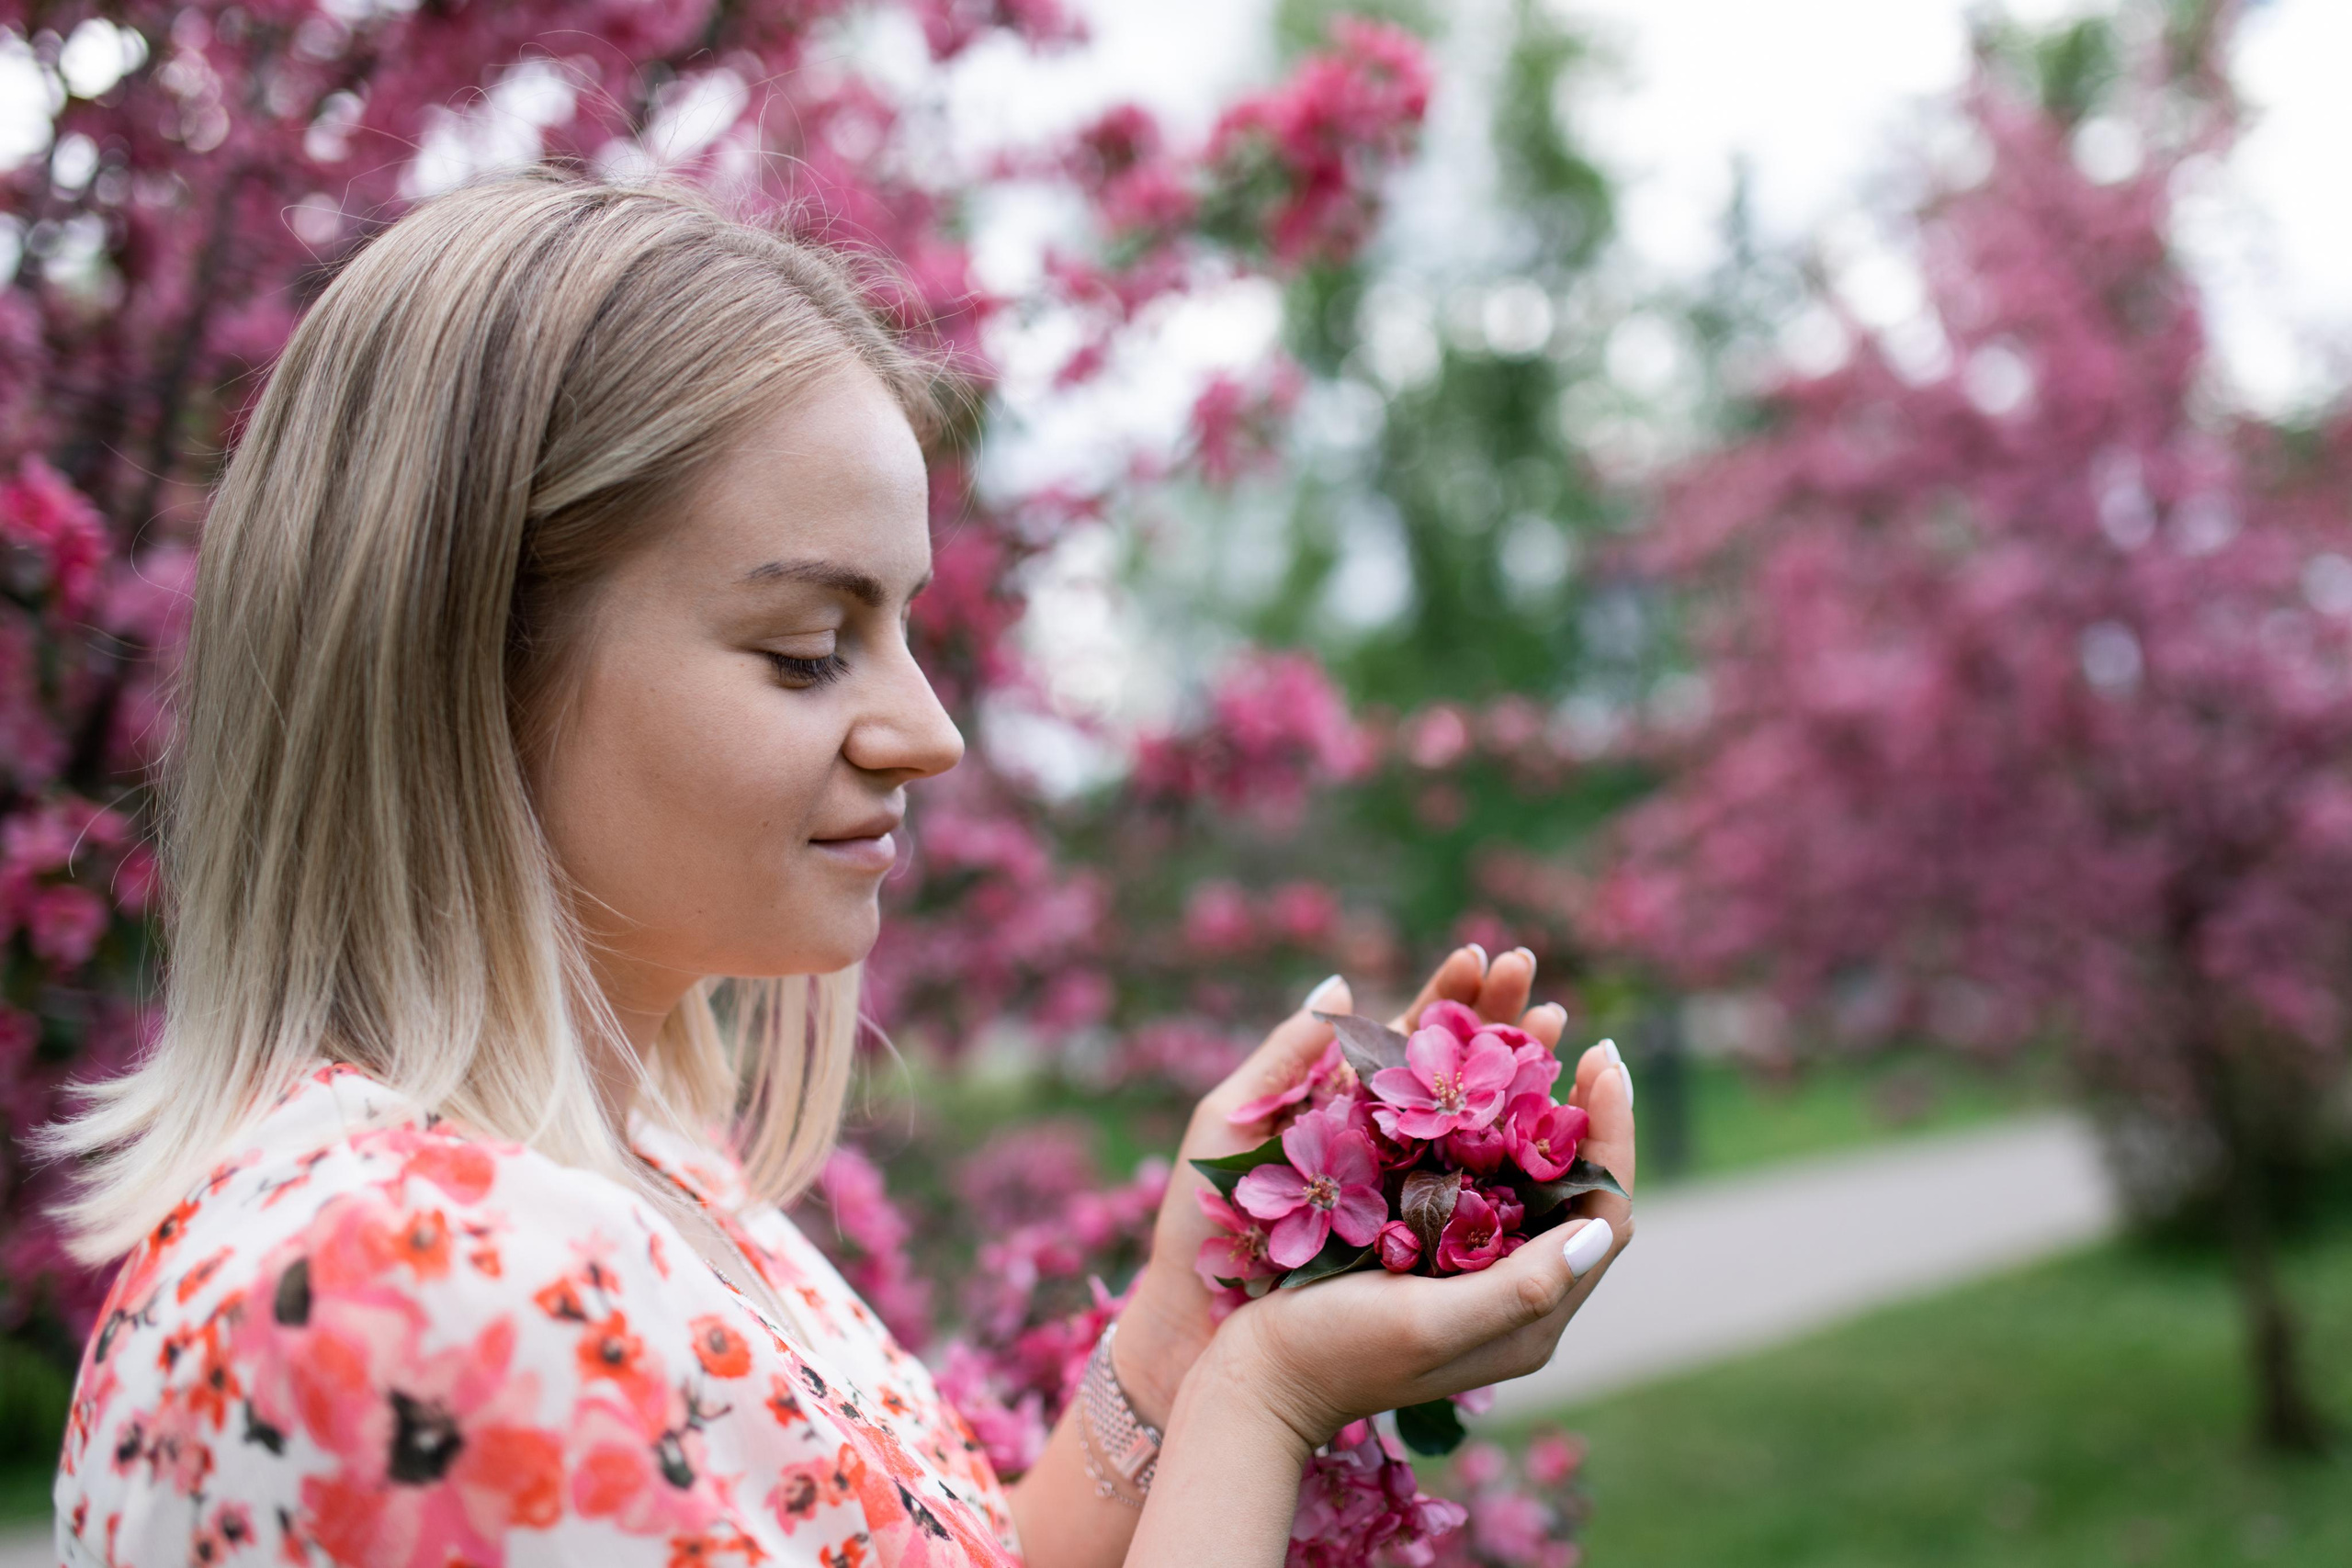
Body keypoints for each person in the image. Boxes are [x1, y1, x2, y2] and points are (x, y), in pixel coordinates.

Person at [44, 172, 1634, 1568]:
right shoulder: (417, 1292)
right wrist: (1263, 1399)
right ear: (472, 667)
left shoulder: (632, 1180)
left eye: (904, 628)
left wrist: (1187, 1327)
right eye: (809, 648)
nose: (930, 733)